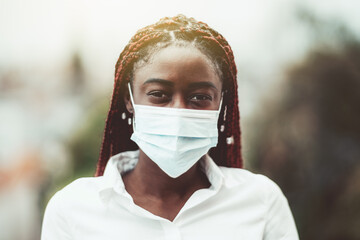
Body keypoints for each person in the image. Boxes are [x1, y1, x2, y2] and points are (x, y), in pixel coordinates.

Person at [41, 15, 299, 239]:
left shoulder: (261, 201)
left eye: (199, 97)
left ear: (221, 104)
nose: (178, 111)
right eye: (159, 94)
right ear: (129, 100)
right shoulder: (71, 209)